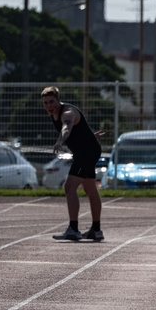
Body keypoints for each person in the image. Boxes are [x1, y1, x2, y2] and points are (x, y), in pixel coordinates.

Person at [41, 86, 104, 241]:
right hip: (87, 150)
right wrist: (90, 135)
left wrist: (60, 141)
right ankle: (96, 230)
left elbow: (66, 128)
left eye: (52, 102)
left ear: (58, 100)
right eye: (46, 103)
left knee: (69, 187)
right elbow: (78, 131)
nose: (49, 106)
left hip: (86, 153)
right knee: (90, 189)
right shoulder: (54, 114)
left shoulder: (67, 113)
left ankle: (73, 229)